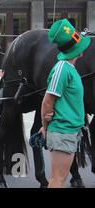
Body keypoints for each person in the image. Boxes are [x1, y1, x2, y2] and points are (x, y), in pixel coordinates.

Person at [39, 18, 91, 188]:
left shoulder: (69, 68)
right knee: (57, 179)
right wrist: (45, 128)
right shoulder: (62, 68)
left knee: (59, 178)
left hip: (69, 131)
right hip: (62, 132)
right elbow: (47, 101)